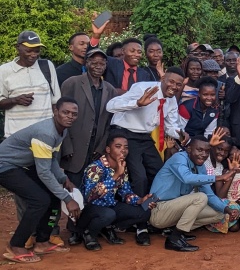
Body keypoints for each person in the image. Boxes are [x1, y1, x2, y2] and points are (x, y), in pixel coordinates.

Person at [0, 97, 79, 263]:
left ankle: (42, 242)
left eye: (74, 114)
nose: (70, 116)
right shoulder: (46, 133)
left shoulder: (61, 130)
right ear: (55, 111)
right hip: (5, 165)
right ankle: (15, 246)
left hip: (23, 165)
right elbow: (43, 172)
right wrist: (67, 198)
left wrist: (63, 178)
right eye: (65, 112)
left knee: (51, 196)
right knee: (39, 200)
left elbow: (51, 160)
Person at [149, 136, 240, 251]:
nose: (203, 154)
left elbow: (209, 194)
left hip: (173, 211)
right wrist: (219, 177)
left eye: (207, 151)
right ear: (188, 149)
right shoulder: (179, 158)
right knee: (200, 198)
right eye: (199, 150)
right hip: (158, 210)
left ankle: (177, 231)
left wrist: (227, 209)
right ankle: (174, 239)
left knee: (219, 214)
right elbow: (187, 178)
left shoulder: (200, 166)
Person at [106, 67, 186, 195]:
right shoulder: (143, 88)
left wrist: (182, 135)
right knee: (140, 177)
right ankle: (138, 209)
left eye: (178, 84)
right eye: (171, 81)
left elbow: (170, 127)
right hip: (124, 134)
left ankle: (156, 205)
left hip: (144, 136)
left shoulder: (171, 101)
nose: (174, 86)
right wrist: (137, 103)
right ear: (163, 78)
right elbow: (110, 106)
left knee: (159, 171)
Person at [78, 133, 155, 250]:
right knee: (108, 214)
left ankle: (107, 227)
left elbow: (125, 192)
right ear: (108, 149)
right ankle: (89, 233)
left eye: (126, 147)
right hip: (90, 210)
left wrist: (140, 200)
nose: (123, 150)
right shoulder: (95, 167)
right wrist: (116, 175)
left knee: (144, 211)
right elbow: (90, 196)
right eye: (118, 146)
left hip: (110, 206)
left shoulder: (121, 167)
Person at [60, 48, 117, 186]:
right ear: (86, 63)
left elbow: (111, 122)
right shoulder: (72, 83)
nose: (98, 66)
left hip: (96, 147)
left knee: (91, 187)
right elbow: (60, 118)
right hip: (75, 145)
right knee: (72, 187)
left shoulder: (110, 89)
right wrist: (66, 147)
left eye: (102, 63)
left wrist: (101, 147)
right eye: (94, 62)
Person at [0, 31, 61, 138]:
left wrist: (56, 131)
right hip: (16, 137)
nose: (34, 55)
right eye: (29, 51)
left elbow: (55, 102)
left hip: (45, 136)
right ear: (18, 47)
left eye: (37, 51)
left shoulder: (47, 66)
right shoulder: (4, 70)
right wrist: (16, 100)